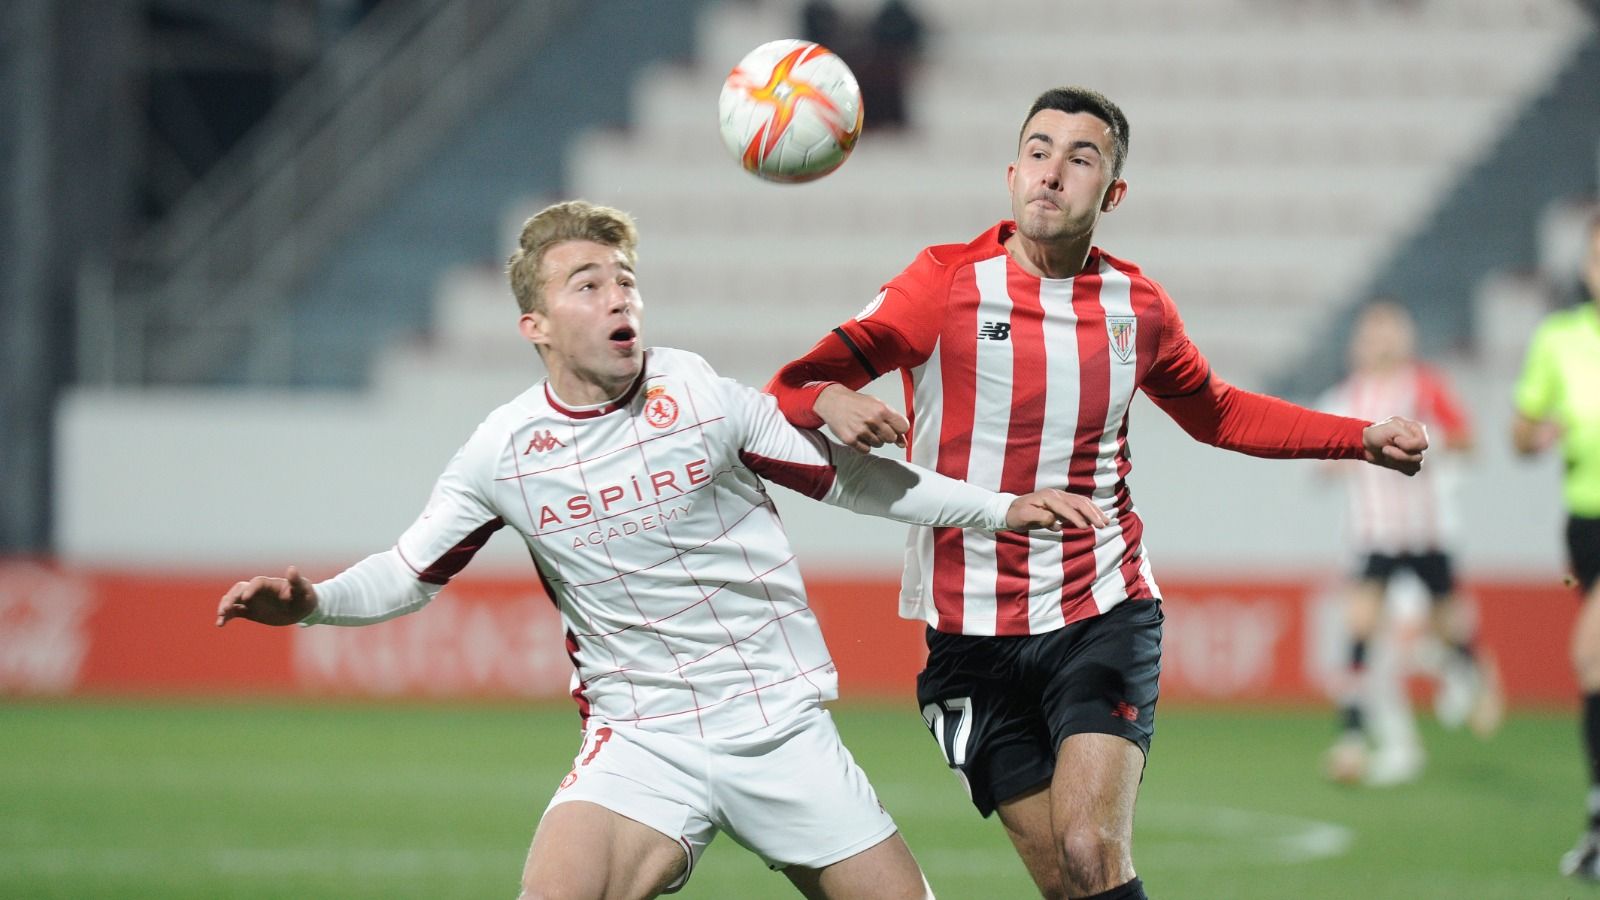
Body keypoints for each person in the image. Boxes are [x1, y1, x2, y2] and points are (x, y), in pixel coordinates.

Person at [213, 200, 1101, 900]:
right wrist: (314, 601)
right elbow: (407, 573)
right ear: (538, 326)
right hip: (644, 738)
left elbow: (853, 480)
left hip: (776, 728)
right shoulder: (504, 451)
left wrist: (1000, 509)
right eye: (588, 284)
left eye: (626, 281)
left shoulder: (701, 393)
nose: (618, 298)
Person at [765, 87, 1430, 900]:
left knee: (1090, 849)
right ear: (1011, 174)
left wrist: (1355, 435)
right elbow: (792, 386)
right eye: (1039, 153)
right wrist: (830, 398)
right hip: (970, 637)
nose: (1053, 174)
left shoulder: (1136, 308)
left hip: (1099, 608)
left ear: (1111, 194)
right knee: (1071, 885)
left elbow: (1216, 413)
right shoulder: (941, 284)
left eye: (1080, 159)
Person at [1320, 300, 1501, 787]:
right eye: (1373, 333)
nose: (1381, 342)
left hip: (1424, 531)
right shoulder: (1346, 396)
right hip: (1374, 534)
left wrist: (1431, 440)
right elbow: (1321, 458)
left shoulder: (1423, 387)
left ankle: (1471, 676)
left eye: (1390, 332)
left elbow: (1468, 440)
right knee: (1359, 625)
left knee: (1446, 623)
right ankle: (1353, 736)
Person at [1515, 211, 1600, 881]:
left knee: (1591, 656)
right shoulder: (1560, 338)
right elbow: (1520, 430)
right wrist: (1537, 435)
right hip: (1585, 525)